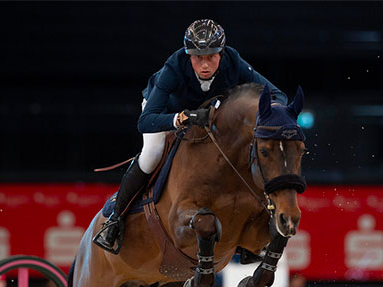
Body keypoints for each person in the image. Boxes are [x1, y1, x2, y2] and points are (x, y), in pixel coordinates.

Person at [93, 19, 288, 254]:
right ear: (188, 55)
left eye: (211, 57)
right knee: (152, 153)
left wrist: (272, 114)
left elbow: (278, 95)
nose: (204, 65)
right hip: (166, 111)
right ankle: (115, 220)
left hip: (205, 115)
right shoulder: (174, 66)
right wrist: (181, 118)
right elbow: (145, 121)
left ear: (221, 53)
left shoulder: (233, 60)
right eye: (197, 58)